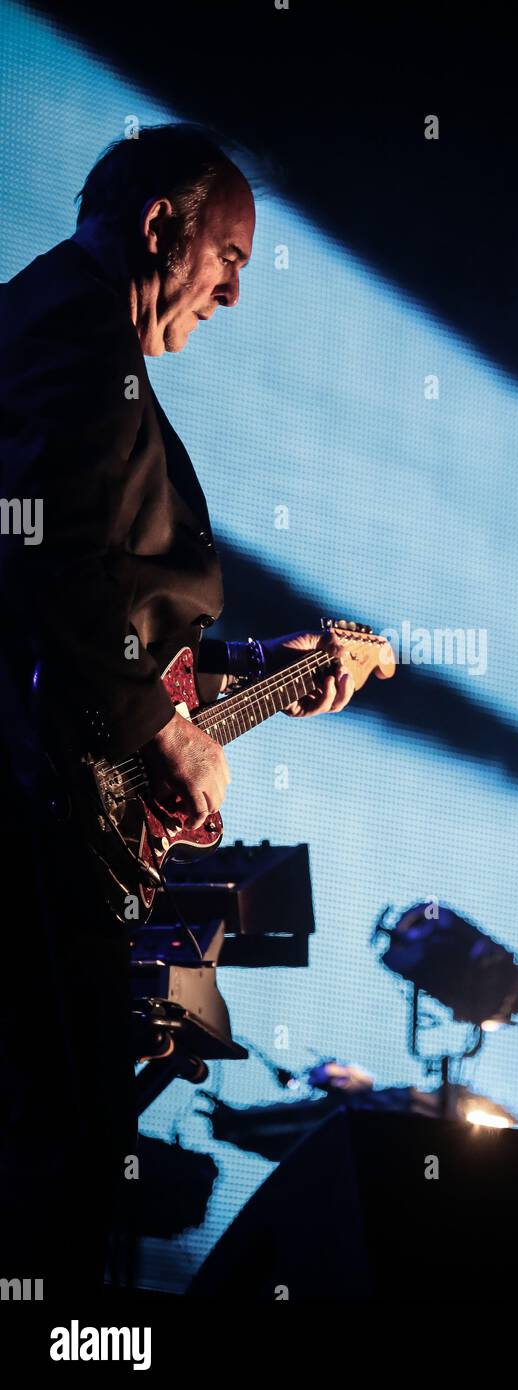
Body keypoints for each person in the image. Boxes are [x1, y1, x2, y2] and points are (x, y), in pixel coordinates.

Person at [0, 124, 359, 1297]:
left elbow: (103, 608)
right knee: (61, 1145)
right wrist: (159, 731)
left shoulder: (73, 334)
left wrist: (268, 666)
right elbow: (43, 561)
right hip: (47, 811)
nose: (236, 292)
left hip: (58, 789)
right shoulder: (73, 329)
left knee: (66, 1134)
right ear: (160, 226)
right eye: (230, 255)